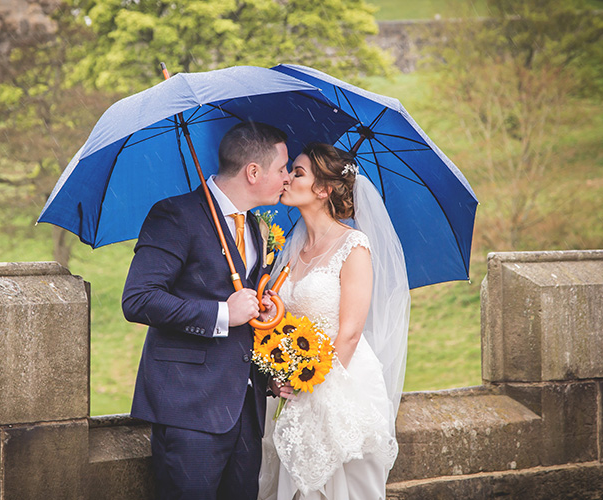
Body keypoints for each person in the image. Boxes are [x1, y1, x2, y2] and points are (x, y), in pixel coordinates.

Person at [122, 121, 291, 500]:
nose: (286, 177)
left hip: (246, 412)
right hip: (189, 409)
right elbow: (138, 298)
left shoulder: (257, 228)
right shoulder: (175, 216)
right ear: (253, 172)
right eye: (281, 169)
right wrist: (221, 314)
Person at [258, 143, 411, 500]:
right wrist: (279, 368)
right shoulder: (289, 250)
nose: (287, 178)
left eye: (297, 172)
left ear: (324, 189)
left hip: (339, 383)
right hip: (292, 384)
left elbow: (351, 331)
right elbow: (282, 322)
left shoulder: (353, 246)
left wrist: (310, 384)